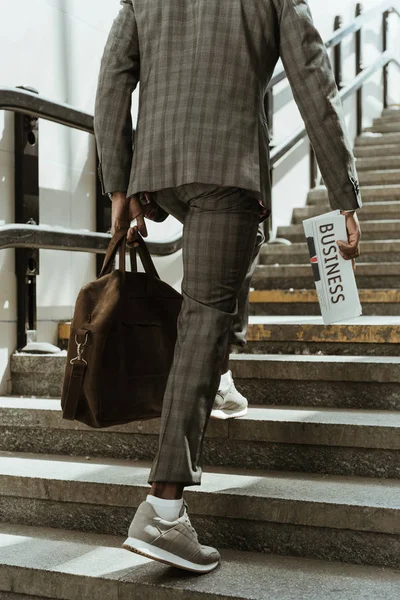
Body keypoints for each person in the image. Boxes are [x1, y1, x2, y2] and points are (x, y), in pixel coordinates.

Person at [94, 0, 362, 574]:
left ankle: (219, 378)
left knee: (233, 255)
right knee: (205, 315)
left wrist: (119, 184)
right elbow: (312, 79)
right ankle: (164, 510)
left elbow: (114, 75)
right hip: (227, 161)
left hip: (160, 166)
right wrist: (343, 194)